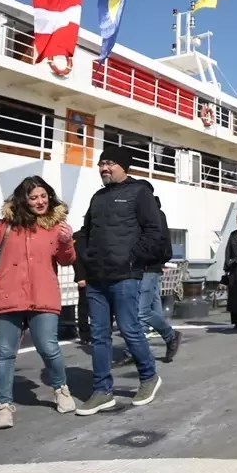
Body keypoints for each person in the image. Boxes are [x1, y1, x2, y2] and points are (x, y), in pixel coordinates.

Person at [0, 176, 78, 429]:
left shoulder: (57, 227)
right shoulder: (6, 225)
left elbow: (67, 260)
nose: (40, 201)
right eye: (33, 197)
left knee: (48, 347)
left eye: (43, 196)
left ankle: (61, 390)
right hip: (6, 296)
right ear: (23, 200)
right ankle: (4, 406)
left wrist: (67, 243)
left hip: (43, 296)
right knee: (4, 353)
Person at [74, 145, 166, 415]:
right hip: (96, 277)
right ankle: (102, 391)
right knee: (99, 335)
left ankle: (149, 377)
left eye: (110, 163)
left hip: (125, 275)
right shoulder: (97, 197)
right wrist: (85, 256)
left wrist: (133, 258)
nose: (104, 168)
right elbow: (86, 232)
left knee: (129, 328)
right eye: (101, 164)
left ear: (124, 166)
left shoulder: (140, 193)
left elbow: (154, 231)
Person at [130, 181, 182, 363]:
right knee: (145, 309)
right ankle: (139, 350)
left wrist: (153, 260)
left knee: (140, 312)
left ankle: (170, 335)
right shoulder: (137, 214)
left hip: (148, 268)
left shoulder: (156, 215)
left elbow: (162, 243)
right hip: (138, 268)